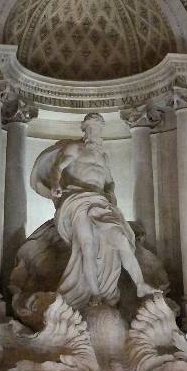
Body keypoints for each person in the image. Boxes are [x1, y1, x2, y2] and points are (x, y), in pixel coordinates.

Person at [30, 112, 158, 309]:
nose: (94, 133)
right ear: (84, 130)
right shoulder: (75, 149)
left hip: (100, 203)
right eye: (90, 128)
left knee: (122, 240)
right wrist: (55, 183)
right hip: (77, 200)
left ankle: (140, 285)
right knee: (87, 247)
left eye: (97, 129)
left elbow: (109, 183)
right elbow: (57, 167)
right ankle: (95, 294)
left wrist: (111, 195)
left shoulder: (103, 157)